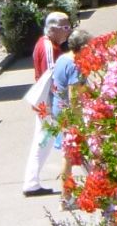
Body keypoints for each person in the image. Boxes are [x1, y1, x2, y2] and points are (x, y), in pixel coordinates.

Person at [23, 15, 79, 197]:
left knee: (43, 141)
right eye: (65, 27)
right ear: (52, 29)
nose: (69, 31)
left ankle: (31, 182)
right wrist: (53, 104)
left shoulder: (46, 44)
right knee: (43, 141)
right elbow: (50, 75)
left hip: (46, 103)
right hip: (47, 103)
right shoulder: (48, 46)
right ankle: (31, 183)